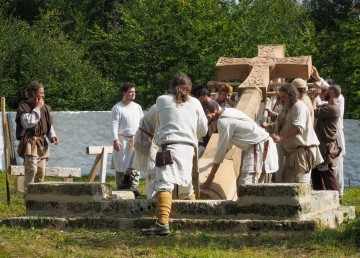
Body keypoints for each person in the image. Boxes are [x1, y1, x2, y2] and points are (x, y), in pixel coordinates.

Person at [141, 73, 208, 236]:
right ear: (190, 87)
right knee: (186, 187)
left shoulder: (162, 100)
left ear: (171, 86)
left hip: (168, 147)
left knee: (164, 183)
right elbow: (203, 130)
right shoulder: (196, 103)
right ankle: (196, 221)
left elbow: (151, 121)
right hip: (188, 149)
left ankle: (162, 224)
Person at [201, 106, 279, 189]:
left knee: (246, 184)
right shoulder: (229, 111)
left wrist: (211, 177)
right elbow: (226, 146)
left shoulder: (223, 121)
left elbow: (220, 150)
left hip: (258, 147)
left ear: (208, 111)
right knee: (257, 187)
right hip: (263, 144)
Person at [272, 84, 323, 183]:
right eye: (280, 97)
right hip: (293, 153)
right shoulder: (288, 108)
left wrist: (280, 137)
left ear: (291, 96)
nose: (281, 100)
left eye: (284, 97)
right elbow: (287, 125)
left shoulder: (299, 106)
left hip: (301, 152)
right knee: (289, 185)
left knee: (300, 186)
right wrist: (280, 124)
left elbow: (298, 127)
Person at [15, 81, 60, 191]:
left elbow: (48, 124)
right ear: (33, 92)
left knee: (41, 171)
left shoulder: (45, 108)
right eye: (41, 92)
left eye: (43, 93)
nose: (43, 95)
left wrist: (52, 135)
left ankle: (38, 197)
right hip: (30, 143)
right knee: (32, 170)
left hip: (41, 143)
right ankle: (28, 196)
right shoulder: (24, 106)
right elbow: (28, 123)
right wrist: (38, 107)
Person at [311, 67, 346, 202]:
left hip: (333, 138)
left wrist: (317, 78)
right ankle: (326, 195)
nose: (322, 92)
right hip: (324, 140)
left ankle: (339, 195)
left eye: (324, 90)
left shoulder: (337, 102)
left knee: (334, 168)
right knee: (320, 169)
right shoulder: (327, 103)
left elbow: (316, 108)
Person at [111, 83, 143, 197]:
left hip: (135, 139)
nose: (133, 94)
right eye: (130, 92)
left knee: (135, 164)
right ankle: (120, 187)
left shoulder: (137, 107)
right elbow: (114, 125)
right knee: (121, 164)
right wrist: (115, 139)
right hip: (122, 139)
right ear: (124, 93)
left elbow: (141, 124)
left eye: (134, 92)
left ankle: (134, 187)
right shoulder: (117, 107)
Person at [311, 85, 342, 191]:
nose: (324, 94)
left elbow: (314, 112)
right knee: (316, 174)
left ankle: (335, 197)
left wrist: (314, 97)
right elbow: (319, 106)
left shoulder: (332, 108)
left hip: (325, 147)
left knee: (326, 174)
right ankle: (320, 197)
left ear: (332, 92)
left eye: (326, 91)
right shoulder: (328, 106)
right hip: (321, 145)